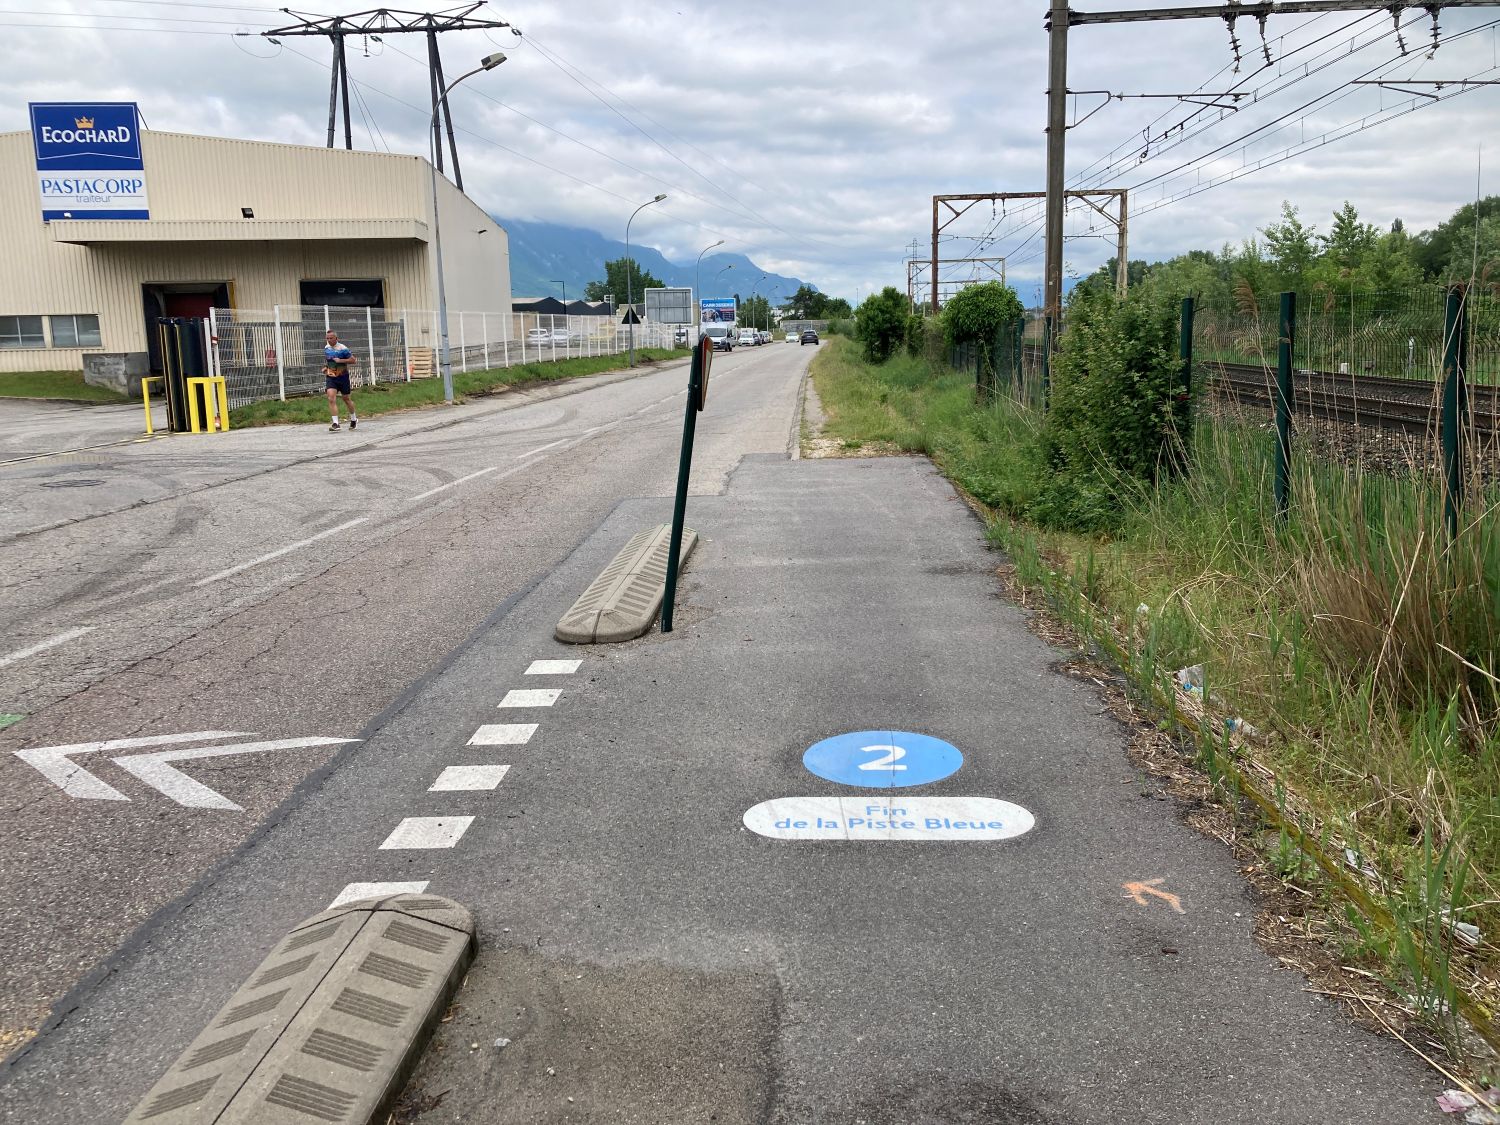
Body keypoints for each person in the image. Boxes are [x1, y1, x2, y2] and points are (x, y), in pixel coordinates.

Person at [323, 330, 358, 431]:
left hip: (343, 377)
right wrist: (325, 367)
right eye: (327, 338)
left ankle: (353, 419)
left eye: (331, 338)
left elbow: (353, 360)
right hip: (331, 376)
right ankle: (335, 423)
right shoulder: (327, 348)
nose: (329, 340)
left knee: (346, 398)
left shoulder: (343, 348)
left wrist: (341, 360)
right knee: (331, 398)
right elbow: (329, 360)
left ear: (336, 338)